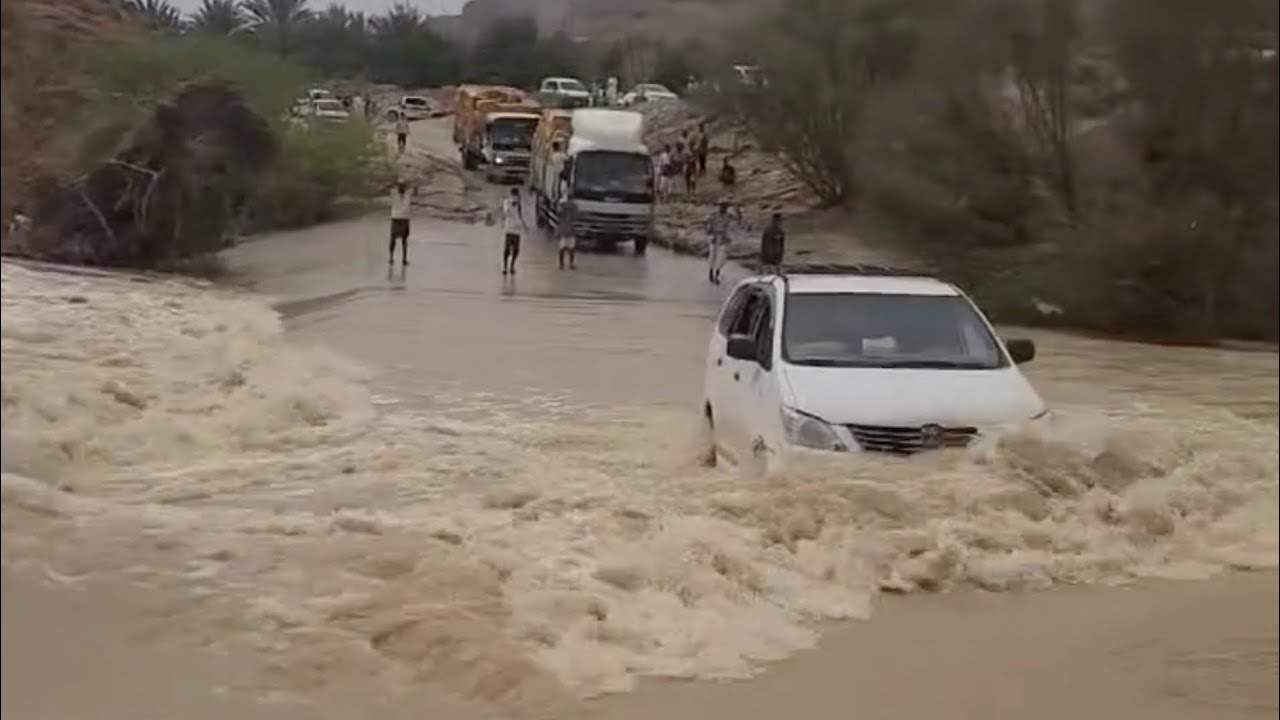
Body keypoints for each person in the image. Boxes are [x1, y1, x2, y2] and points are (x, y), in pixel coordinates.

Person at [704, 201, 739, 285]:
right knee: (713, 256)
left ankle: (717, 274)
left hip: (723, 238)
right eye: (722, 207)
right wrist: (708, 230)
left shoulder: (728, 216)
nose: (723, 209)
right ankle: (711, 273)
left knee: (722, 258)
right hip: (714, 237)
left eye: (725, 207)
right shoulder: (713, 215)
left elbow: (737, 220)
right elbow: (705, 222)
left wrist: (738, 212)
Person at [500, 187, 526, 275]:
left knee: (516, 249)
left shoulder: (519, 204)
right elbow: (506, 212)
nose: (516, 197)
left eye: (517, 195)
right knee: (507, 249)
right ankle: (505, 266)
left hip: (517, 229)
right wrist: (512, 204)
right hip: (509, 228)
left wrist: (524, 225)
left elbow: (520, 215)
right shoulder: (507, 202)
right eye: (515, 195)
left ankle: (512, 265)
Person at [388, 179, 412, 265]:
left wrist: (394, 183)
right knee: (403, 240)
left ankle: (393, 258)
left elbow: (388, 186)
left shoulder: (395, 193)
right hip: (402, 218)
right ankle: (402, 259)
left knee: (395, 239)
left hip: (398, 218)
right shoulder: (406, 193)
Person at [556, 196, 577, 270]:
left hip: (569, 231)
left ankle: (568, 264)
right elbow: (559, 212)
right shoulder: (563, 210)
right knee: (564, 249)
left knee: (569, 249)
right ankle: (563, 264)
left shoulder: (572, 209)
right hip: (565, 231)